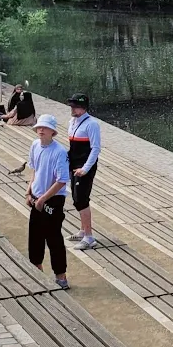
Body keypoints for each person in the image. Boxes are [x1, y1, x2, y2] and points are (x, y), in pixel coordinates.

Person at [26, 114, 70, 289]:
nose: (41, 130)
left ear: (53, 132)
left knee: (54, 238)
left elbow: (61, 180)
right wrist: (28, 192)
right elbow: (35, 170)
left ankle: (61, 276)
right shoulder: (35, 145)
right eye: (39, 127)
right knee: (34, 238)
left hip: (53, 199)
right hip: (37, 197)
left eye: (45, 128)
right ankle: (37, 272)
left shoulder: (59, 152)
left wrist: (44, 198)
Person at [66, 94, 101, 250]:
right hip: (73, 165)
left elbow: (95, 149)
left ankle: (89, 237)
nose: (72, 108)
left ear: (83, 107)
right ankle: (82, 230)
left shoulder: (92, 124)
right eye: (71, 106)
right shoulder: (72, 122)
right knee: (75, 197)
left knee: (81, 199)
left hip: (84, 167)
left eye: (75, 106)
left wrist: (85, 169)